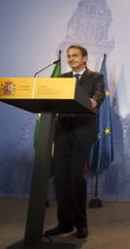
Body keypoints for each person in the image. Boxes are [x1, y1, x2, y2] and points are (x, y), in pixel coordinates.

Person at [44, 44, 105, 239]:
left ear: (84, 58)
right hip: (62, 132)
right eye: (68, 56)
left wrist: (94, 100)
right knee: (60, 178)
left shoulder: (95, 77)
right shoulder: (62, 79)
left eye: (75, 56)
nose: (70, 59)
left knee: (75, 178)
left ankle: (81, 224)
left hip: (82, 131)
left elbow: (99, 93)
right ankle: (64, 224)